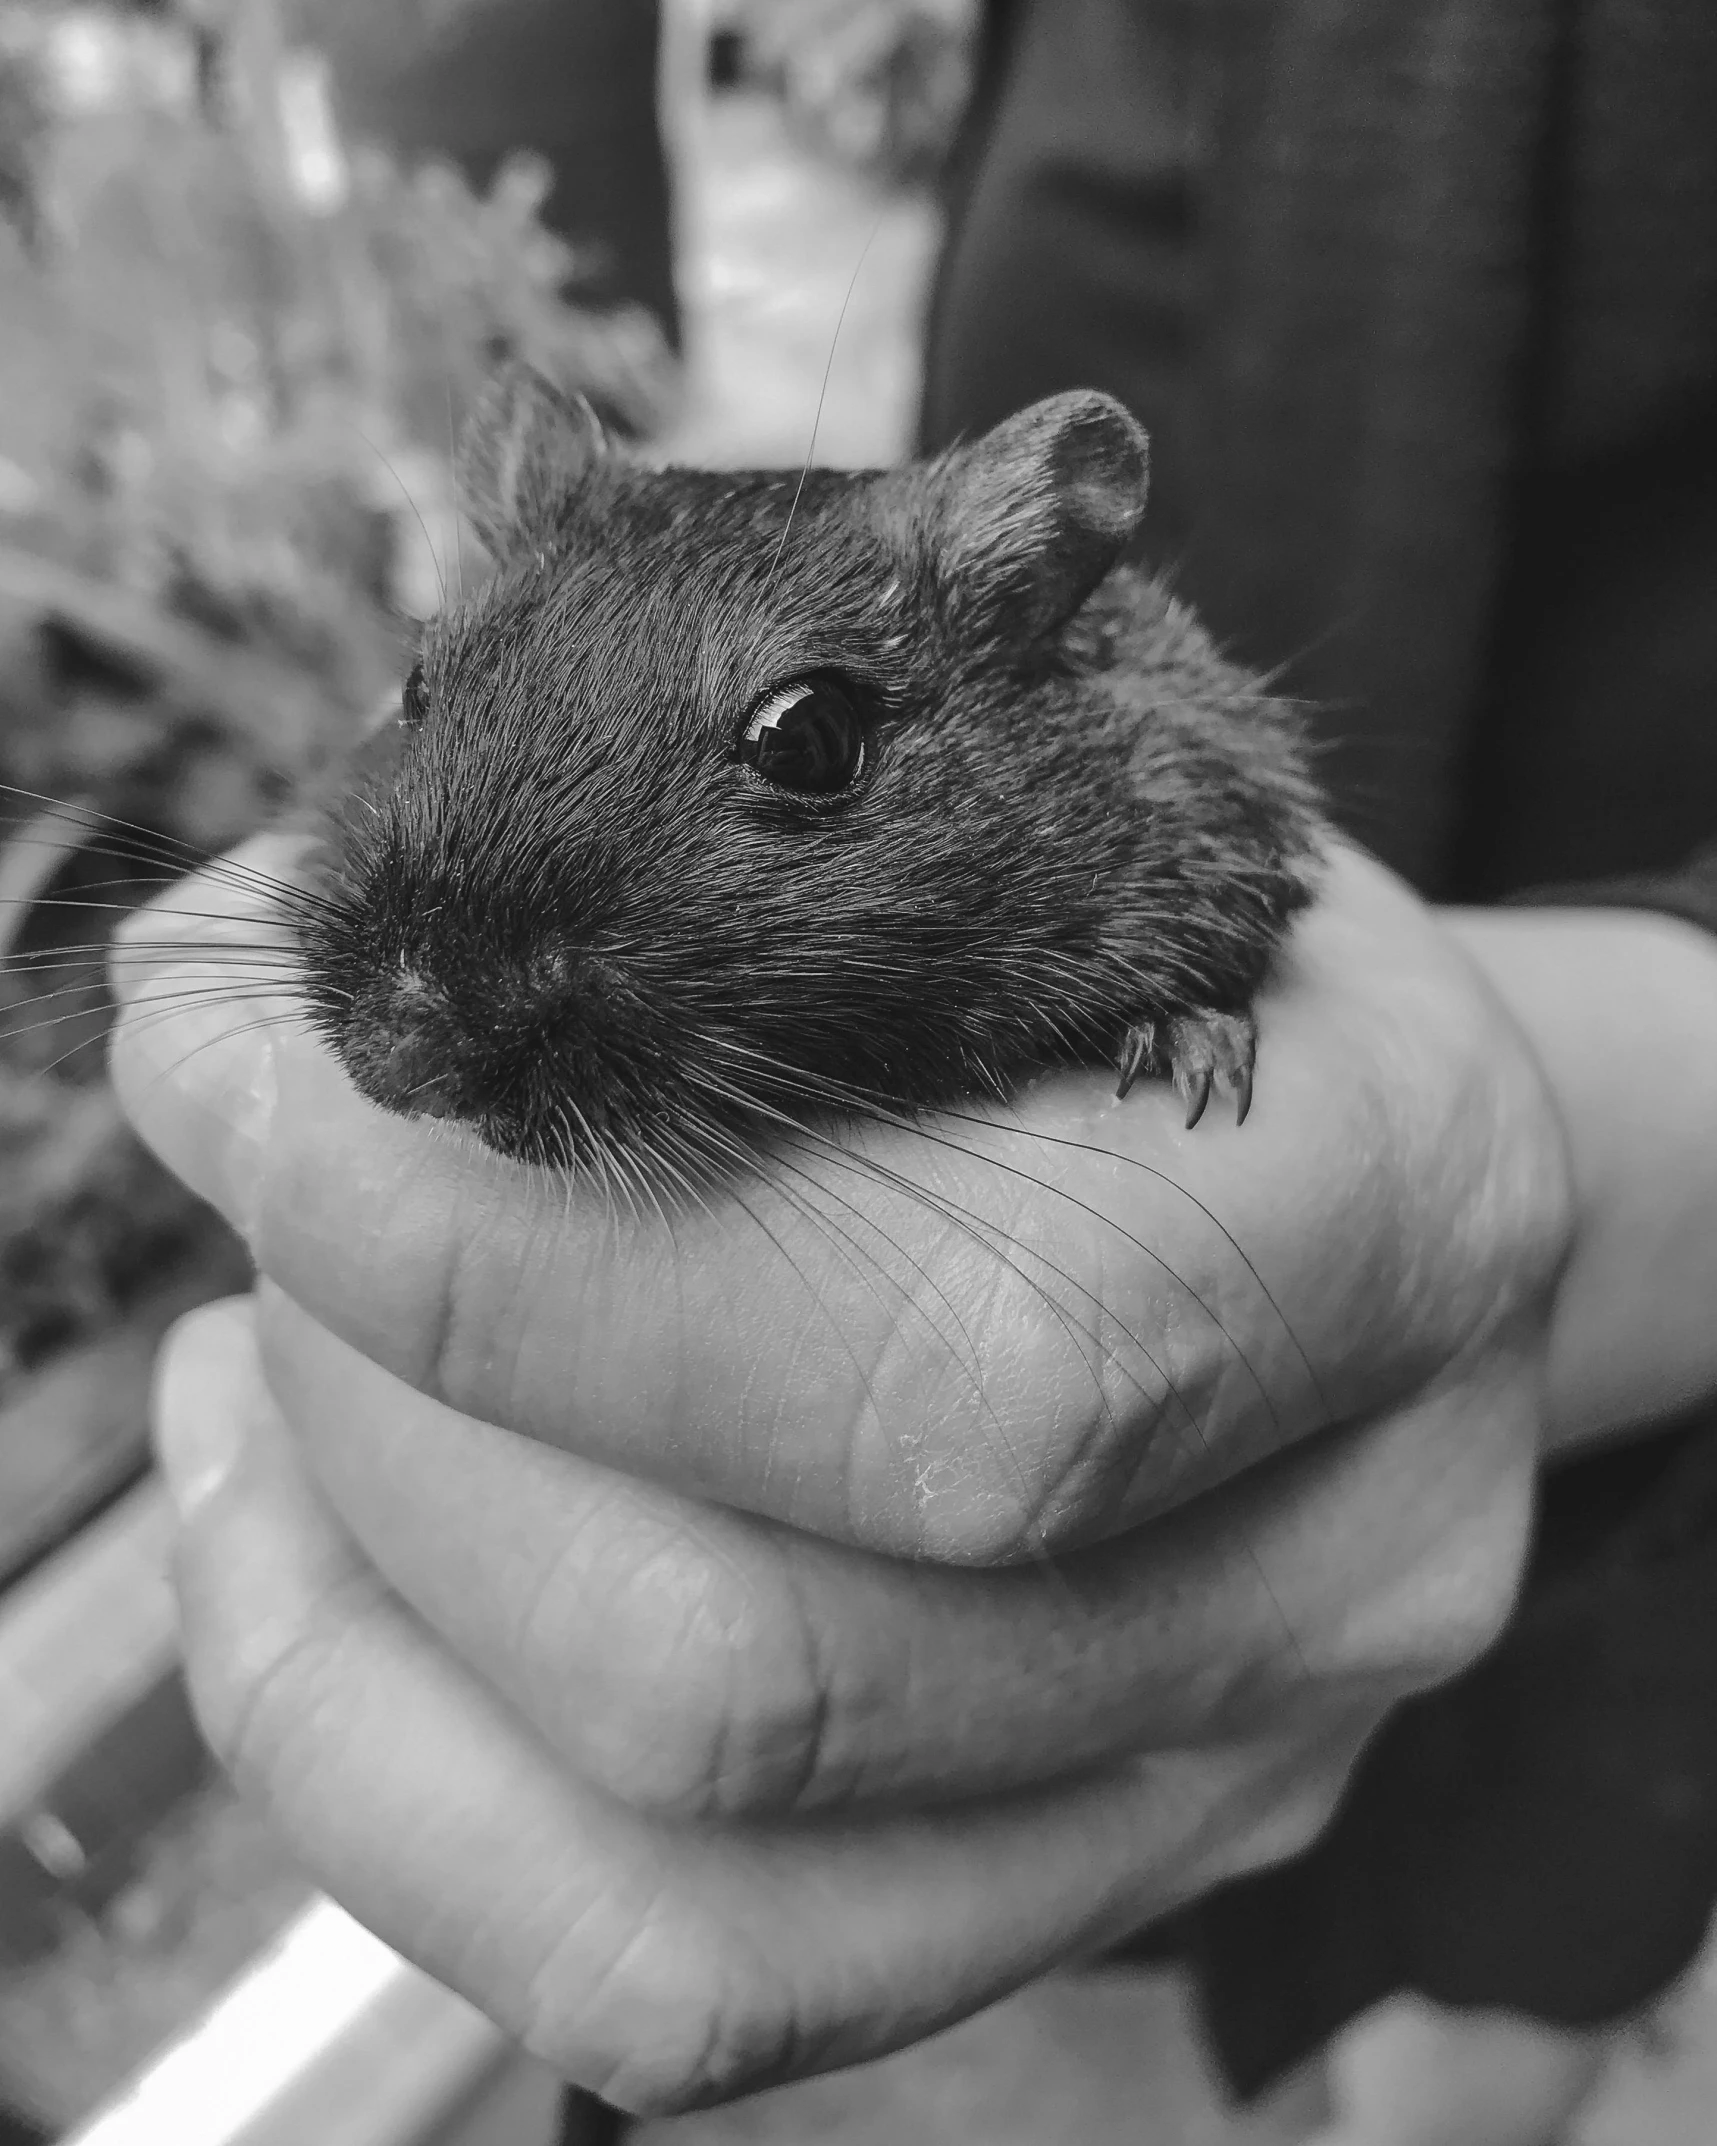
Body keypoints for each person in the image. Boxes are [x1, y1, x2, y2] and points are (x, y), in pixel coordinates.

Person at [122, 5, 1717, 2144]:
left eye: (798, 754)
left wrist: (1587, 1139)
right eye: (437, 693)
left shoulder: (1126, 788)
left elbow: (1240, 841)